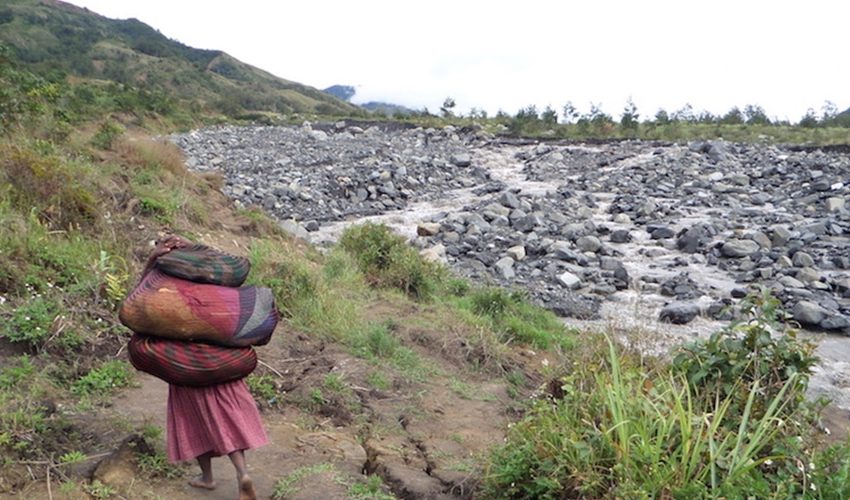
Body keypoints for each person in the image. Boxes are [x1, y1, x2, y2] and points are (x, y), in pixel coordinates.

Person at [145, 236, 269, 500]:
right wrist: (194, 247)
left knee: (193, 422)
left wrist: (153, 258)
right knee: (227, 419)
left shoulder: (166, 285)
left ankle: (208, 477)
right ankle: (242, 472)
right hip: (221, 363)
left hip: (185, 367)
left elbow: (140, 296)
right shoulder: (215, 285)